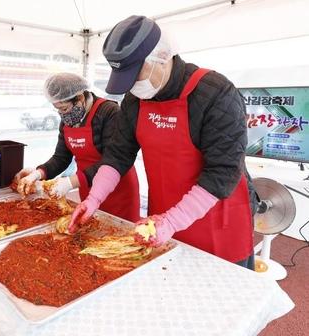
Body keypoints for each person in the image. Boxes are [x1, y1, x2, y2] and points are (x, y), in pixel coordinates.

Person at [69, 16, 257, 269]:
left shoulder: (215, 93)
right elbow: (117, 155)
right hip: (162, 218)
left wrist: (172, 220)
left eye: (137, 73)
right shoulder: (135, 99)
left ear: (163, 55)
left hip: (215, 217)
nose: (133, 85)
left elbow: (223, 172)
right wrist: (93, 200)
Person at [15, 72, 140, 222]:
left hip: (118, 192)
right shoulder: (67, 119)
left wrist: (71, 182)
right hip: (86, 186)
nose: (62, 114)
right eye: (58, 110)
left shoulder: (108, 112)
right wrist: (38, 173)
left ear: (80, 97)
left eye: (65, 108)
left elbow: (113, 160)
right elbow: (61, 158)